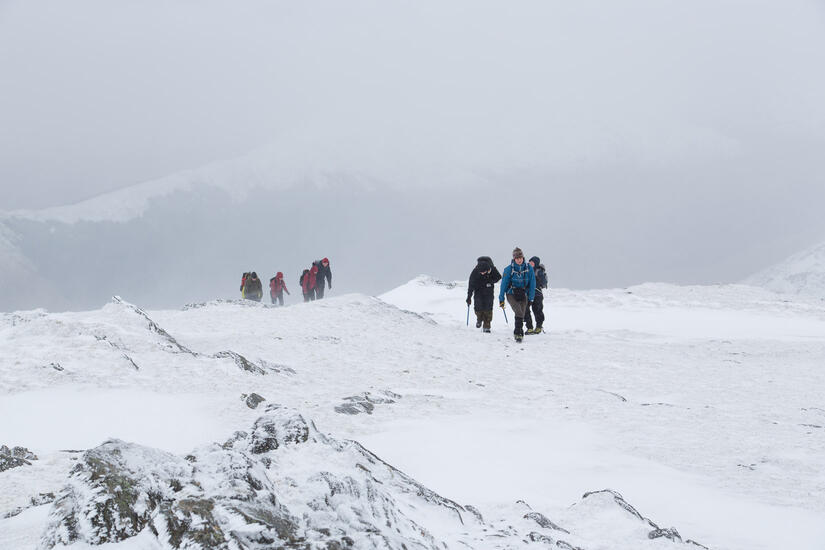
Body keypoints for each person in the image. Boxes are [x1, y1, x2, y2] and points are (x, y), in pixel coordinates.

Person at [498, 247, 536, 342]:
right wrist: (501, 298)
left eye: (521, 258)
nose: (519, 260)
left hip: (523, 293)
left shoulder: (529, 269)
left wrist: (531, 298)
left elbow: (532, 283)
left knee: (522, 314)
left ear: (523, 258)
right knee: (518, 312)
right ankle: (518, 333)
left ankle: (519, 332)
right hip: (511, 293)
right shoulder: (508, 269)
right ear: (514, 259)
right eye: (517, 258)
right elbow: (503, 285)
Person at [466, 256, 502, 333]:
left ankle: (487, 326)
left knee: (488, 308)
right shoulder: (475, 271)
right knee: (478, 307)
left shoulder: (492, 269)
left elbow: (499, 277)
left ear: (487, 270)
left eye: (484, 272)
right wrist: (469, 297)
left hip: (489, 291)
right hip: (478, 291)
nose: (482, 273)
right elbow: (471, 285)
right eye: (481, 272)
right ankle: (479, 319)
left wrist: (490, 281)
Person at [525, 256, 548, 334]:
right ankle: (529, 327)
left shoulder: (539, 272)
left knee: (538, 310)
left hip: (537, 294)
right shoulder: (526, 270)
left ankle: (538, 326)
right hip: (527, 294)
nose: (531, 263)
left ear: (536, 264)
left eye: (533, 262)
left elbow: (544, 283)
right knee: (525, 310)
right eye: (530, 262)